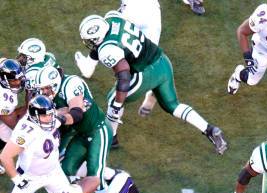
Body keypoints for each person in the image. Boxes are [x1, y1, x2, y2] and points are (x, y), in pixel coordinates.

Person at [78, 12, 227, 154]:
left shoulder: (107, 50)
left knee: (113, 99)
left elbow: (124, 77)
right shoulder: (113, 18)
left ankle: (111, 138)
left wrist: (117, 104)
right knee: (172, 106)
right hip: (162, 61)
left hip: (145, 73)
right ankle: (209, 129)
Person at [35, 65, 113, 193]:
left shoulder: (71, 84)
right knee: (65, 169)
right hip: (80, 133)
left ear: (55, 83)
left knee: (95, 174)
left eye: (47, 88)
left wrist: (57, 117)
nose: (44, 92)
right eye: (41, 89)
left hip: (98, 130)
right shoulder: (49, 94)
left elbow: (76, 114)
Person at [75, 0, 162, 118]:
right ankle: (154, 91)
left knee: (103, 34)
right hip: (152, 12)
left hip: (131, 9)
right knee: (148, 56)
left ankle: (89, 67)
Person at [0, 95, 72, 193]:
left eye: (51, 114)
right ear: (34, 116)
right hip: (30, 177)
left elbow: (63, 113)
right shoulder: (26, 131)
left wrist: (75, 109)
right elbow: (5, 156)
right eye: (45, 116)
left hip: (54, 171)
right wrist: (17, 180)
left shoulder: (49, 116)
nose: (49, 118)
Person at [0, 59, 27, 174]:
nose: (18, 82)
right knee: (10, 132)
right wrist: (29, 105)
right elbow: (14, 124)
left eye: (19, 78)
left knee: (6, 133)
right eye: (13, 80)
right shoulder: (5, 99)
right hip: (3, 111)